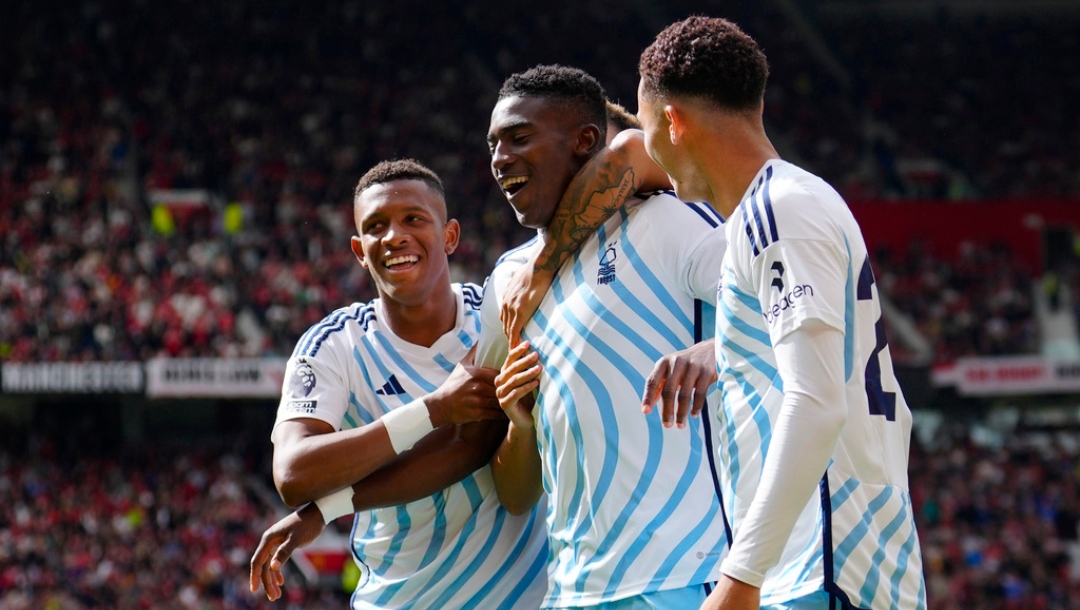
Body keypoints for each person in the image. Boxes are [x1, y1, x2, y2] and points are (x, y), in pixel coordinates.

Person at [634, 17, 925, 610]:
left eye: (645, 127)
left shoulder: (778, 211)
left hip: (824, 562)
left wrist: (741, 575)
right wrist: (726, 347)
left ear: (672, 121)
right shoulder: (784, 204)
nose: (649, 147)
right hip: (838, 559)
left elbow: (816, 401)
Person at [248, 159, 548, 609]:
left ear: (450, 236)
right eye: (376, 226)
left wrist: (327, 508)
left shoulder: (498, 314)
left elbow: (468, 446)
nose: (394, 236)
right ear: (359, 250)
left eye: (413, 219)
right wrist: (434, 409)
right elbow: (293, 474)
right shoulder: (334, 345)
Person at [484, 64, 730, 609]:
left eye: (519, 138)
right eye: (493, 144)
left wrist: (718, 348)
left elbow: (778, 309)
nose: (500, 158)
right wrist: (520, 426)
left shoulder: (666, 221)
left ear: (586, 142)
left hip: (680, 578)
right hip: (568, 592)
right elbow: (516, 495)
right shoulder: (510, 283)